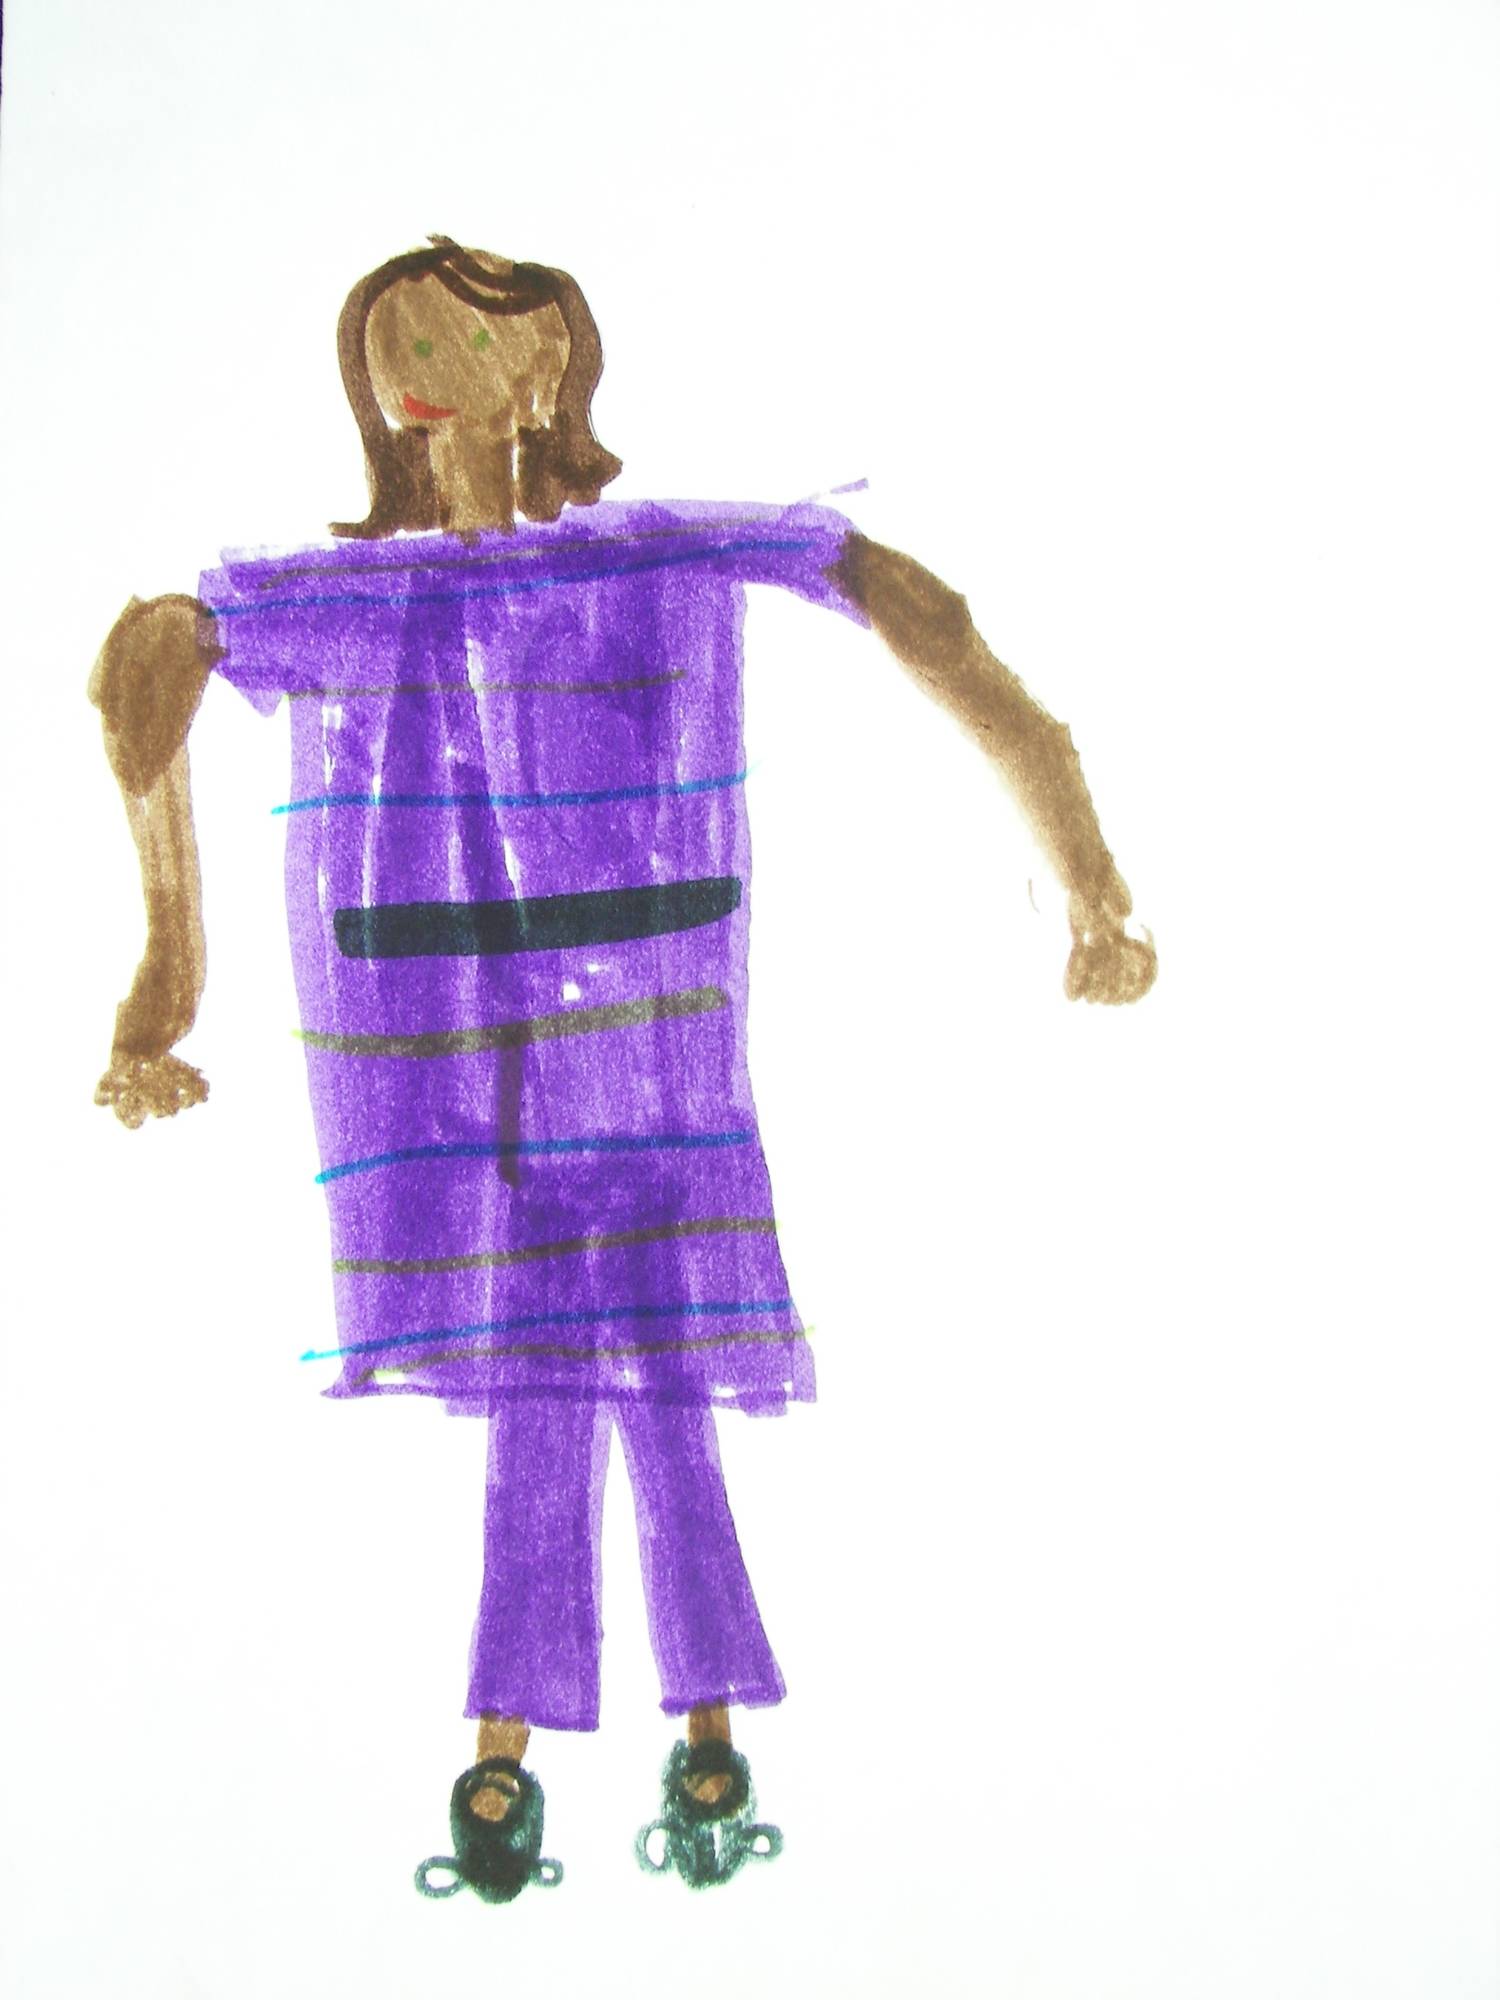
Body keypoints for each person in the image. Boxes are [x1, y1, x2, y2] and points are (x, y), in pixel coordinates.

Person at [91, 236, 1156, 1899]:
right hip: (445, 1073)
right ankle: (691, 1733)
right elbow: (147, 659)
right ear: (375, 384)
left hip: (645, 1052)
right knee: (619, 1369)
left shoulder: (651, 553)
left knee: (588, 1369)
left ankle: (518, 1753)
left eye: (478, 343)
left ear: (555, 376)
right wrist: (164, 971)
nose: (439, 376)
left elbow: (907, 600)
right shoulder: (341, 599)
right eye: (411, 347)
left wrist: (1086, 874)